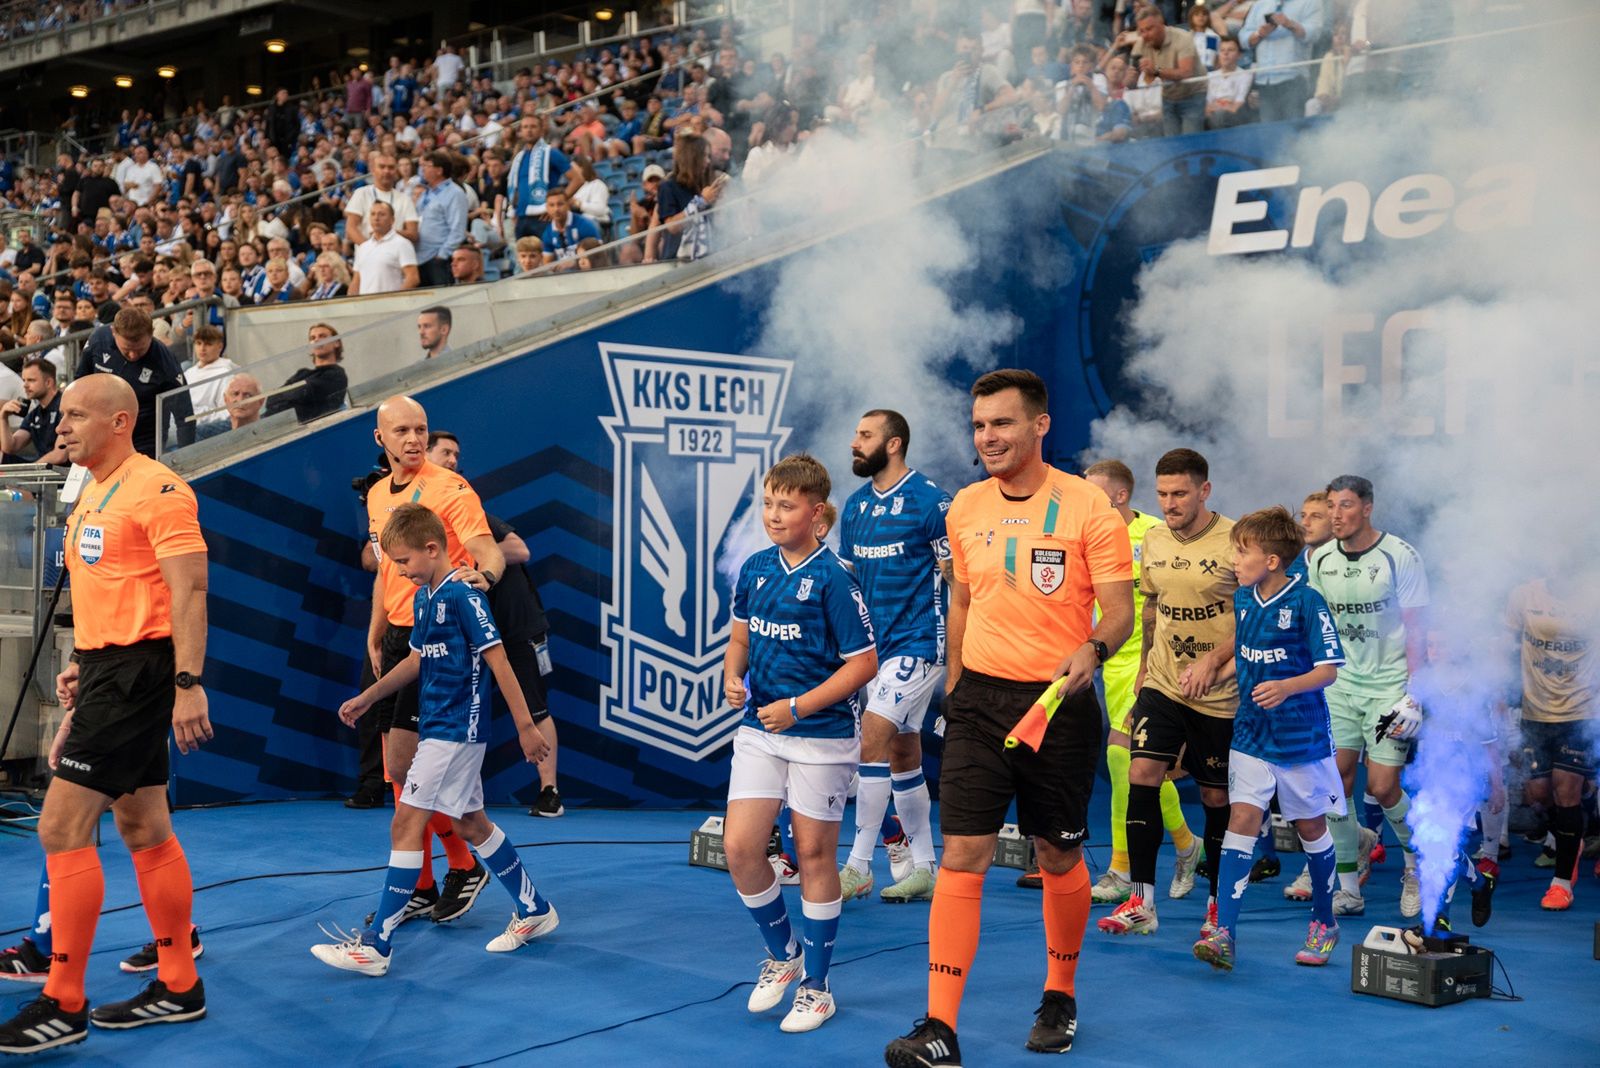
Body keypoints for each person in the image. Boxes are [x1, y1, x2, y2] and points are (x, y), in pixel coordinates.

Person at [884, 369, 1132, 1065]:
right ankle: (939, 1028)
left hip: (1061, 704)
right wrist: (959, 683)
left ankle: (1060, 993)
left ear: (1039, 426)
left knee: (1057, 854)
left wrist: (1094, 647)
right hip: (980, 705)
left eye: (1002, 423)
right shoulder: (963, 507)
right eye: (979, 425)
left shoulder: (1089, 508)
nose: (988, 437)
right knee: (963, 854)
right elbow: (962, 598)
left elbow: (1119, 610)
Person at [0, 374, 211, 1054]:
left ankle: (63, 999)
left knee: (61, 826)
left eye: (77, 415)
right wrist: (84, 662)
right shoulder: (93, 490)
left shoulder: (160, 489)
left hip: (143, 671)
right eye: (61, 414)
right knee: (143, 821)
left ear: (120, 421)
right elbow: (113, 588)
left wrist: (187, 683)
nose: (62, 426)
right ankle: (179, 983)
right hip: (106, 670)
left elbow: (190, 591)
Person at [311, 503, 557, 974]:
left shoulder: (466, 596)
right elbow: (416, 660)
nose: (399, 572)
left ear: (431, 548)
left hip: (457, 730)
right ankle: (535, 909)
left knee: (406, 822)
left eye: (403, 562)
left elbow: (500, 661)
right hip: (437, 729)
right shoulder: (425, 597)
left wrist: (526, 726)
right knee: (470, 824)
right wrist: (369, 696)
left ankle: (376, 945)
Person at [722, 453, 877, 1034]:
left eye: (785, 506)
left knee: (813, 856)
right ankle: (783, 957)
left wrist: (799, 707)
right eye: (767, 503)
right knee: (741, 849)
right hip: (760, 732)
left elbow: (863, 665)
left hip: (821, 737)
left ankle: (818, 986)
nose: (772, 514)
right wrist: (732, 675)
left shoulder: (836, 577)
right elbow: (740, 639)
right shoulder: (756, 567)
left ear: (816, 514)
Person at [364, 395, 507, 927]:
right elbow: (387, 568)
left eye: (420, 429)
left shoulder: (450, 488)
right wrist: (377, 630)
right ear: (380, 439)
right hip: (398, 637)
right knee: (398, 769)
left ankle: (465, 865)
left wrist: (486, 576)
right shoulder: (378, 494)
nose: (414, 439)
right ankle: (422, 886)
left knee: (426, 776)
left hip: (441, 643)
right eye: (401, 430)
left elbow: (486, 549)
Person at [1190, 507, 1346, 971]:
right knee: (1242, 817)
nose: (1234, 560)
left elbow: (1328, 670)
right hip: (1251, 732)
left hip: (1301, 738)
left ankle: (1324, 920)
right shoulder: (1242, 598)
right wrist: (1217, 676)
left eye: (1242, 552)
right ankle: (1225, 933)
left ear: (1272, 560)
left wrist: (1286, 686)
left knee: (1310, 827)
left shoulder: (1308, 603)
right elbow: (1246, 652)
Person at [1098, 448, 1236, 940]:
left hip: (1219, 692)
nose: (1170, 502)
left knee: (1216, 794)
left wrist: (1215, 662)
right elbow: (1151, 606)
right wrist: (1141, 674)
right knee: (1140, 772)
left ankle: (1218, 907)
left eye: (1180, 493)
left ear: (1204, 491)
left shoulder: (1233, 541)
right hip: (1161, 681)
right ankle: (1141, 901)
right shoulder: (1153, 539)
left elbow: (1255, 615)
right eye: (1163, 494)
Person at [836, 410, 950, 904]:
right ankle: (925, 866)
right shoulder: (857, 507)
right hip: (876, 652)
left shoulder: (932, 501)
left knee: (872, 740)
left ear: (895, 443)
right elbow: (847, 587)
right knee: (904, 754)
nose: (854, 443)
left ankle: (859, 864)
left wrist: (961, 657)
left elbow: (959, 583)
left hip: (921, 643)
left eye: (865, 436)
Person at [1072, 460, 1197, 904]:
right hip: (1106, 659)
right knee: (1137, 766)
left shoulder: (1154, 535)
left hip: (1153, 662)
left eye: (1095, 493)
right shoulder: (1082, 532)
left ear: (1121, 496)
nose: (1086, 501)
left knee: (1121, 759)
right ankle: (1186, 843)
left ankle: (1121, 870)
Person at [425, 431, 563, 817]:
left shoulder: (471, 513)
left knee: (535, 707)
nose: (452, 460)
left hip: (518, 626)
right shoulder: (425, 528)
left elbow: (520, 549)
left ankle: (549, 791)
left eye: (455, 454)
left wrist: (473, 555)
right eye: (445, 453)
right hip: (468, 633)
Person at [1308, 475, 1428, 918]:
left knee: (1383, 786)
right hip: (1339, 685)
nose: (1336, 515)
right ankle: (1348, 887)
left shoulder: (1400, 557)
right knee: (1332, 785)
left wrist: (1415, 695)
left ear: (1367, 508)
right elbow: (1317, 628)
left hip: (1389, 686)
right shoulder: (1320, 559)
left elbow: (1418, 630)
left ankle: (1416, 865)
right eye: (1330, 507)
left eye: (1345, 506)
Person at [1505, 574, 1597, 910]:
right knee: (1540, 795)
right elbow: (1508, 641)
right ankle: (1586, 813)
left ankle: (1561, 883)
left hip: (1581, 710)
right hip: (1535, 710)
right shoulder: (1524, 594)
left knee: (1566, 790)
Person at [74, 307, 194, 457]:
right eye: (127, 349)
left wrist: (187, 456)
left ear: (151, 335)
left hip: (145, 437)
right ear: (113, 332)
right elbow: (79, 383)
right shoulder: (98, 340)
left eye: (140, 350)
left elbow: (184, 414)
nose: (133, 355)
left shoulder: (165, 361)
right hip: (100, 430)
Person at [1239, 0, 1324, 122]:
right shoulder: (1260, 4)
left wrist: (1289, 24)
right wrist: (1259, 33)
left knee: (1293, 130)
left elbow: (1314, 33)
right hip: (1265, 80)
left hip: (1293, 79)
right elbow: (1243, 39)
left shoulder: (1310, 2)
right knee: (1269, 133)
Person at [1128, 6, 1203, 137]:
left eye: (1150, 29)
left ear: (1161, 24)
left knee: (1191, 141)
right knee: (1172, 143)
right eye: (1142, 30)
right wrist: (1129, 78)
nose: (1145, 34)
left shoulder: (1183, 38)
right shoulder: (1141, 43)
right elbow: (1132, 76)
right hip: (1168, 96)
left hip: (1193, 95)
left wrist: (1156, 70)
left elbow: (1186, 73)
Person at [505, 115, 579, 238]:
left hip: (543, 217)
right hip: (521, 218)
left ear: (541, 130)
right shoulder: (518, 158)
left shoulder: (551, 152)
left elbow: (577, 179)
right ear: (521, 131)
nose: (529, 130)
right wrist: (515, 211)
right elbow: (517, 188)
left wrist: (556, 206)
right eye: (525, 127)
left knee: (549, 256)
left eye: (533, 126)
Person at [265, 323, 348, 423]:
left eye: (322, 336)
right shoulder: (302, 373)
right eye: (312, 338)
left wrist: (286, 396)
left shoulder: (336, 374)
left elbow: (303, 393)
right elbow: (271, 399)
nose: (316, 340)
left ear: (336, 343)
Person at [344, 153, 420, 246]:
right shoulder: (361, 193)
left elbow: (413, 234)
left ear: (396, 171)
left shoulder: (405, 199)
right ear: (373, 170)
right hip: (366, 256)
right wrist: (369, 249)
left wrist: (388, 232)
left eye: (391, 167)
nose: (386, 171)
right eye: (382, 167)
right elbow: (351, 228)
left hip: (395, 256)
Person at [416, 151, 467, 288]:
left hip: (439, 259)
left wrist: (442, 255)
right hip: (420, 257)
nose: (422, 169)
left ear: (439, 170)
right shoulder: (425, 193)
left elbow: (457, 229)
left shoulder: (455, 193)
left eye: (426, 166)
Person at [1, 357, 67, 464]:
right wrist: (3, 418)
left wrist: (31, 472)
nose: (25, 386)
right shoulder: (35, 413)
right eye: (24, 380)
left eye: (31, 380)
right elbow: (10, 447)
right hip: (42, 470)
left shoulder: (65, 406)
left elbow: (59, 455)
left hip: (64, 473)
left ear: (48, 382)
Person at [350, 202, 420, 296]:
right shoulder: (363, 247)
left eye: (381, 214)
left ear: (392, 220)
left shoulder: (402, 244)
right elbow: (356, 281)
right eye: (373, 214)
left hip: (390, 307)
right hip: (365, 307)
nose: (376, 218)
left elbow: (413, 278)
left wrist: (395, 300)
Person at [184, 326, 237, 440]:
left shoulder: (226, 373)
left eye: (208, 344)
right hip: (183, 422)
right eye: (198, 343)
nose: (202, 348)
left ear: (220, 346)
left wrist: (198, 417)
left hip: (201, 428)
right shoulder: (189, 372)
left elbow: (227, 413)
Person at [539, 188, 602, 267]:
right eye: (552, 205)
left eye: (560, 204)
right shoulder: (547, 233)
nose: (556, 209)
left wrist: (574, 263)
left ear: (568, 205)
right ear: (547, 208)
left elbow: (600, 256)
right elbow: (547, 265)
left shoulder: (585, 225)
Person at [1204, 37, 1253, 128]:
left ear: (1239, 55)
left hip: (1236, 117)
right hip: (1214, 117)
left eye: (1230, 50)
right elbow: (1207, 106)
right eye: (1222, 50)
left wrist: (1218, 106)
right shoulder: (1210, 76)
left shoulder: (1245, 75)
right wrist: (1226, 104)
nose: (1225, 53)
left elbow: (1237, 105)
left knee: (1220, 115)